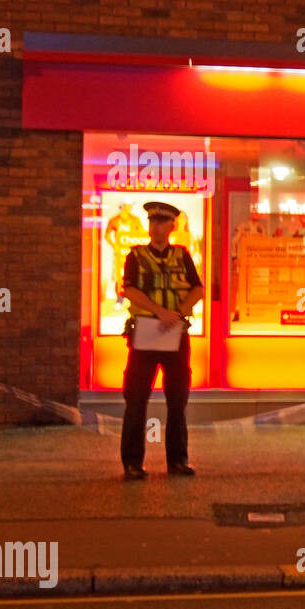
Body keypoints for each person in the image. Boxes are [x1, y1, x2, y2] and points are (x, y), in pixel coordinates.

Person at [119, 201, 205, 480]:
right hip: (144, 332)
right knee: (136, 399)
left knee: (177, 399)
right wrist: (160, 312)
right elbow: (129, 290)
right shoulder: (135, 256)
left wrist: (177, 314)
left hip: (175, 334)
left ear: (172, 226)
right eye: (152, 221)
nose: (156, 226)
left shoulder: (182, 256)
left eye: (162, 222)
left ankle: (178, 460)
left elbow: (198, 290)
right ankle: (132, 463)